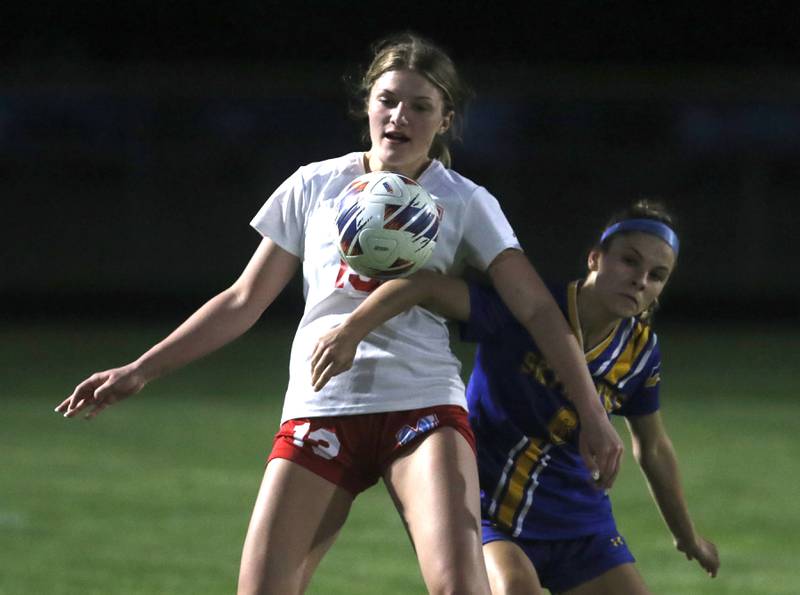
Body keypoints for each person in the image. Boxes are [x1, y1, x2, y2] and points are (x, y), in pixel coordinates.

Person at [54, 32, 622, 595]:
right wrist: (139, 370)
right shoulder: (316, 184)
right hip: (322, 405)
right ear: (367, 105)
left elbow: (539, 311)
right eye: (388, 100)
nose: (399, 116)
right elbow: (243, 300)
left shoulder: (465, 201)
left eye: (420, 106)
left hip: (421, 405)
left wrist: (593, 414)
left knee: (459, 588)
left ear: (445, 120)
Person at [310, 200, 720, 594]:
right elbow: (424, 284)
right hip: (488, 506)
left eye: (657, 274)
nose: (640, 279)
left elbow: (652, 447)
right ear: (595, 258)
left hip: (579, 521)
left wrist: (688, 538)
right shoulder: (531, 308)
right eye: (629, 260)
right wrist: (350, 332)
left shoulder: (641, 352)